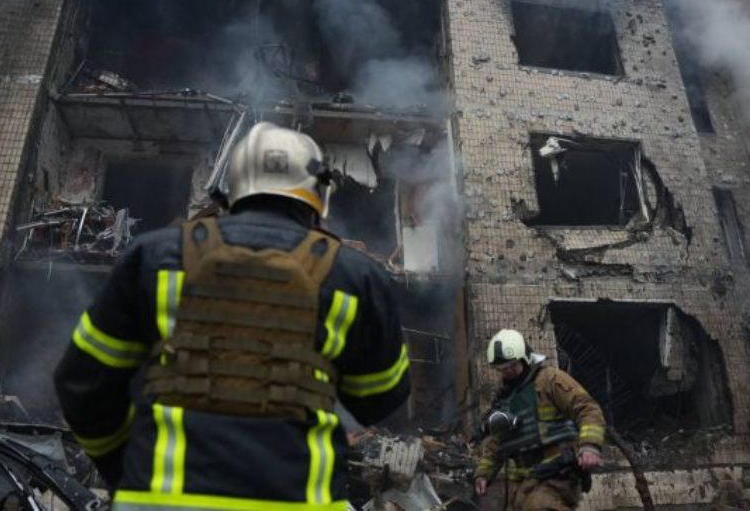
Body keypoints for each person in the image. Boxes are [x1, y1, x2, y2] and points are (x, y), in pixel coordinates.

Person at [54, 122, 410, 511]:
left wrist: (123, 470)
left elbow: (81, 384)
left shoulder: (154, 257)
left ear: (233, 190)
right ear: (319, 196)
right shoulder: (356, 277)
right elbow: (381, 395)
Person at [474, 329, 605, 510]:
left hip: (557, 471)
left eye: (512, 365)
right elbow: (496, 441)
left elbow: (587, 408)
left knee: (539, 506)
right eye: (502, 369)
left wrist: (589, 446)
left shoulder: (549, 379)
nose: (508, 371)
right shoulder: (504, 398)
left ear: (525, 358)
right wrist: (484, 474)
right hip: (523, 480)